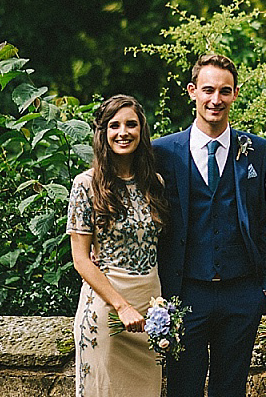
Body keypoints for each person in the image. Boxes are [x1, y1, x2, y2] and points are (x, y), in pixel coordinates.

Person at [153, 54, 266, 397]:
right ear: (192, 91)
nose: (215, 100)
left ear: (235, 94)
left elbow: (265, 222)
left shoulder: (255, 150)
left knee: (231, 389)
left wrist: (264, 289)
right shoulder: (163, 152)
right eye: (208, 90)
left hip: (241, 293)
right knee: (182, 387)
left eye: (224, 91)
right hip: (185, 291)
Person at [67, 94, 169, 397]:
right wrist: (121, 306)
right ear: (103, 132)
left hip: (150, 313)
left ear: (142, 130)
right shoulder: (86, 185)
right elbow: (81, 260)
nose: (123, 132)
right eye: (114, 125)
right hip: (107, 309)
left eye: (131, 124)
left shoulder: (155, 184)